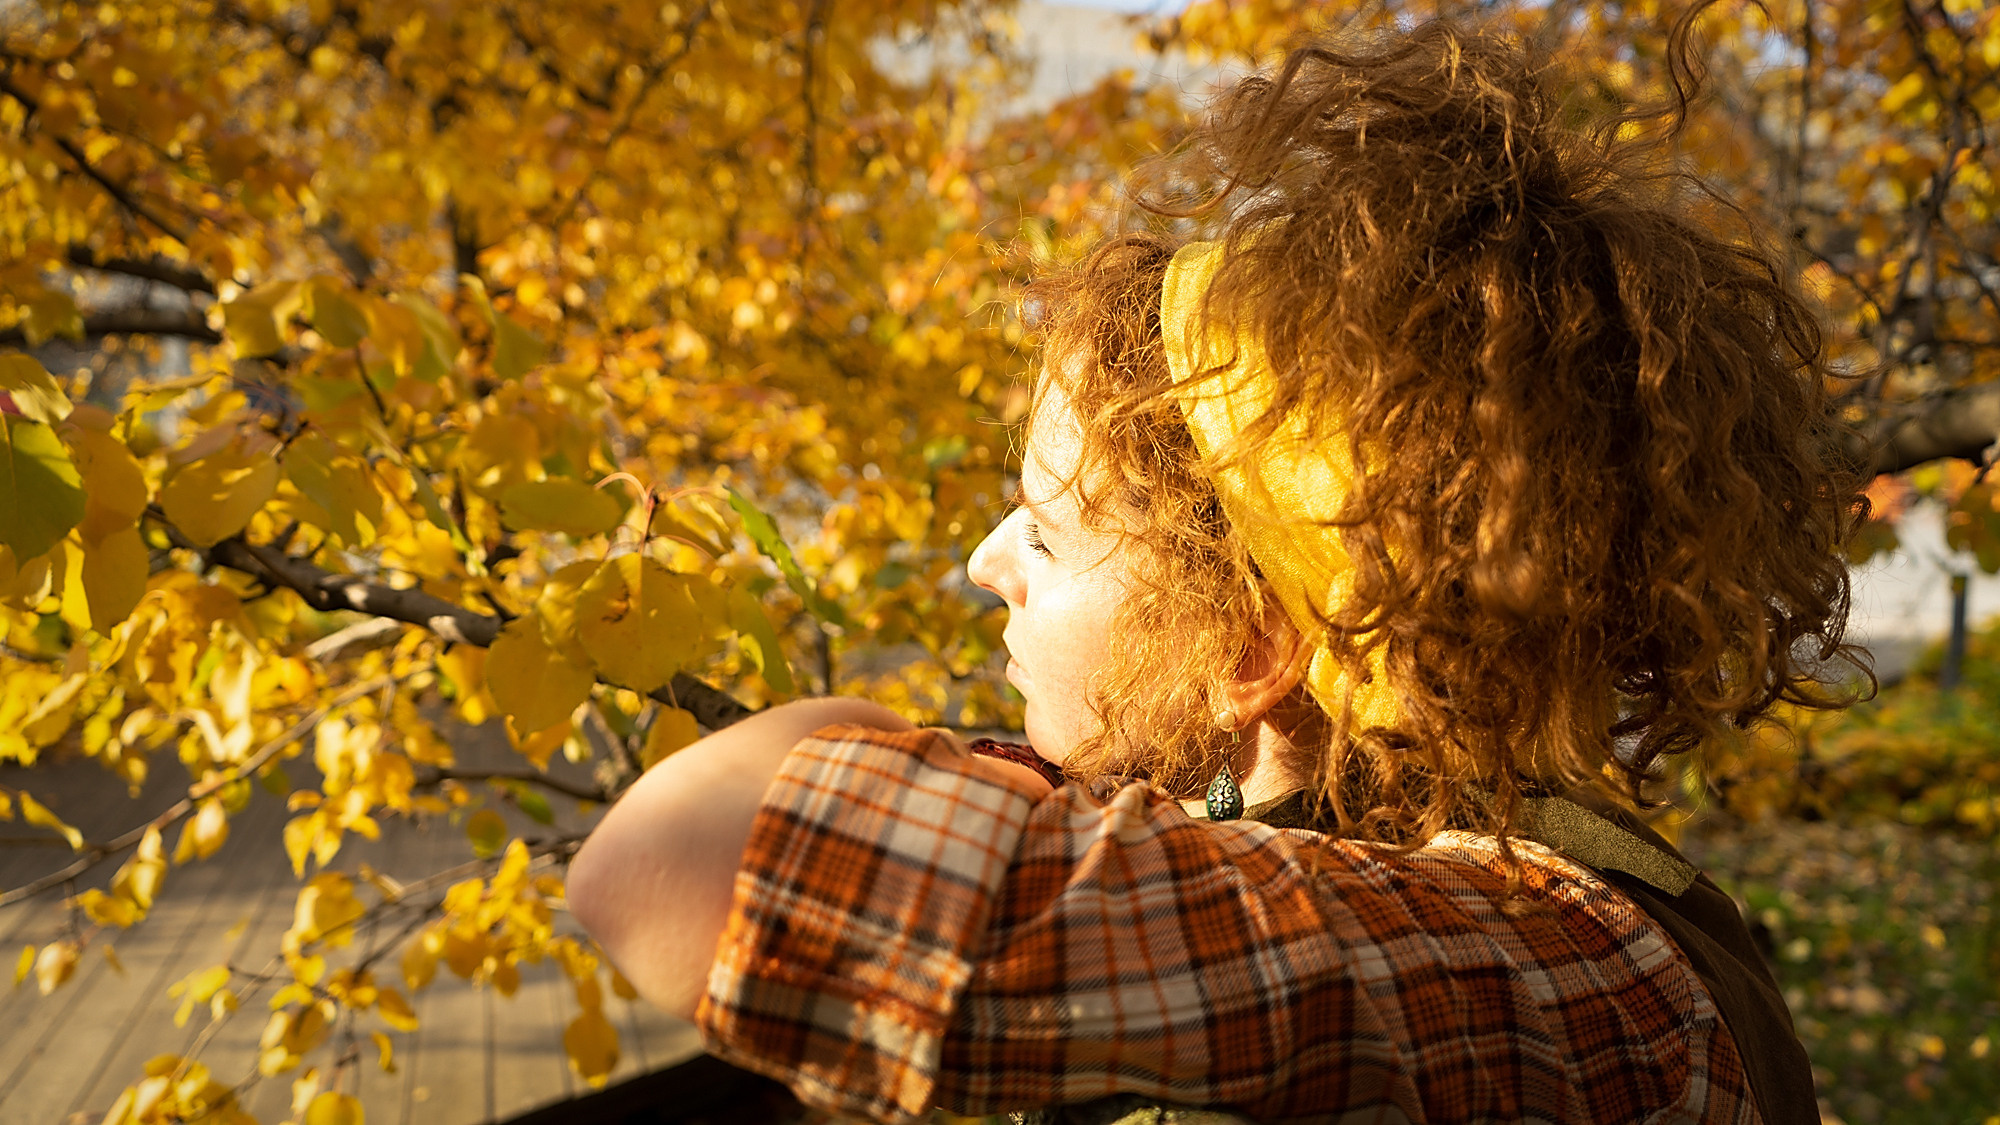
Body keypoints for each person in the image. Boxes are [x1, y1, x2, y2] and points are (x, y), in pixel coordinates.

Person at [567, 14, 1864, 1125]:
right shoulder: (1406, 880)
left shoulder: (1557, 969)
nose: (985, 561)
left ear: (1247, 650)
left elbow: (674, 861)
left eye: (1049, 528)